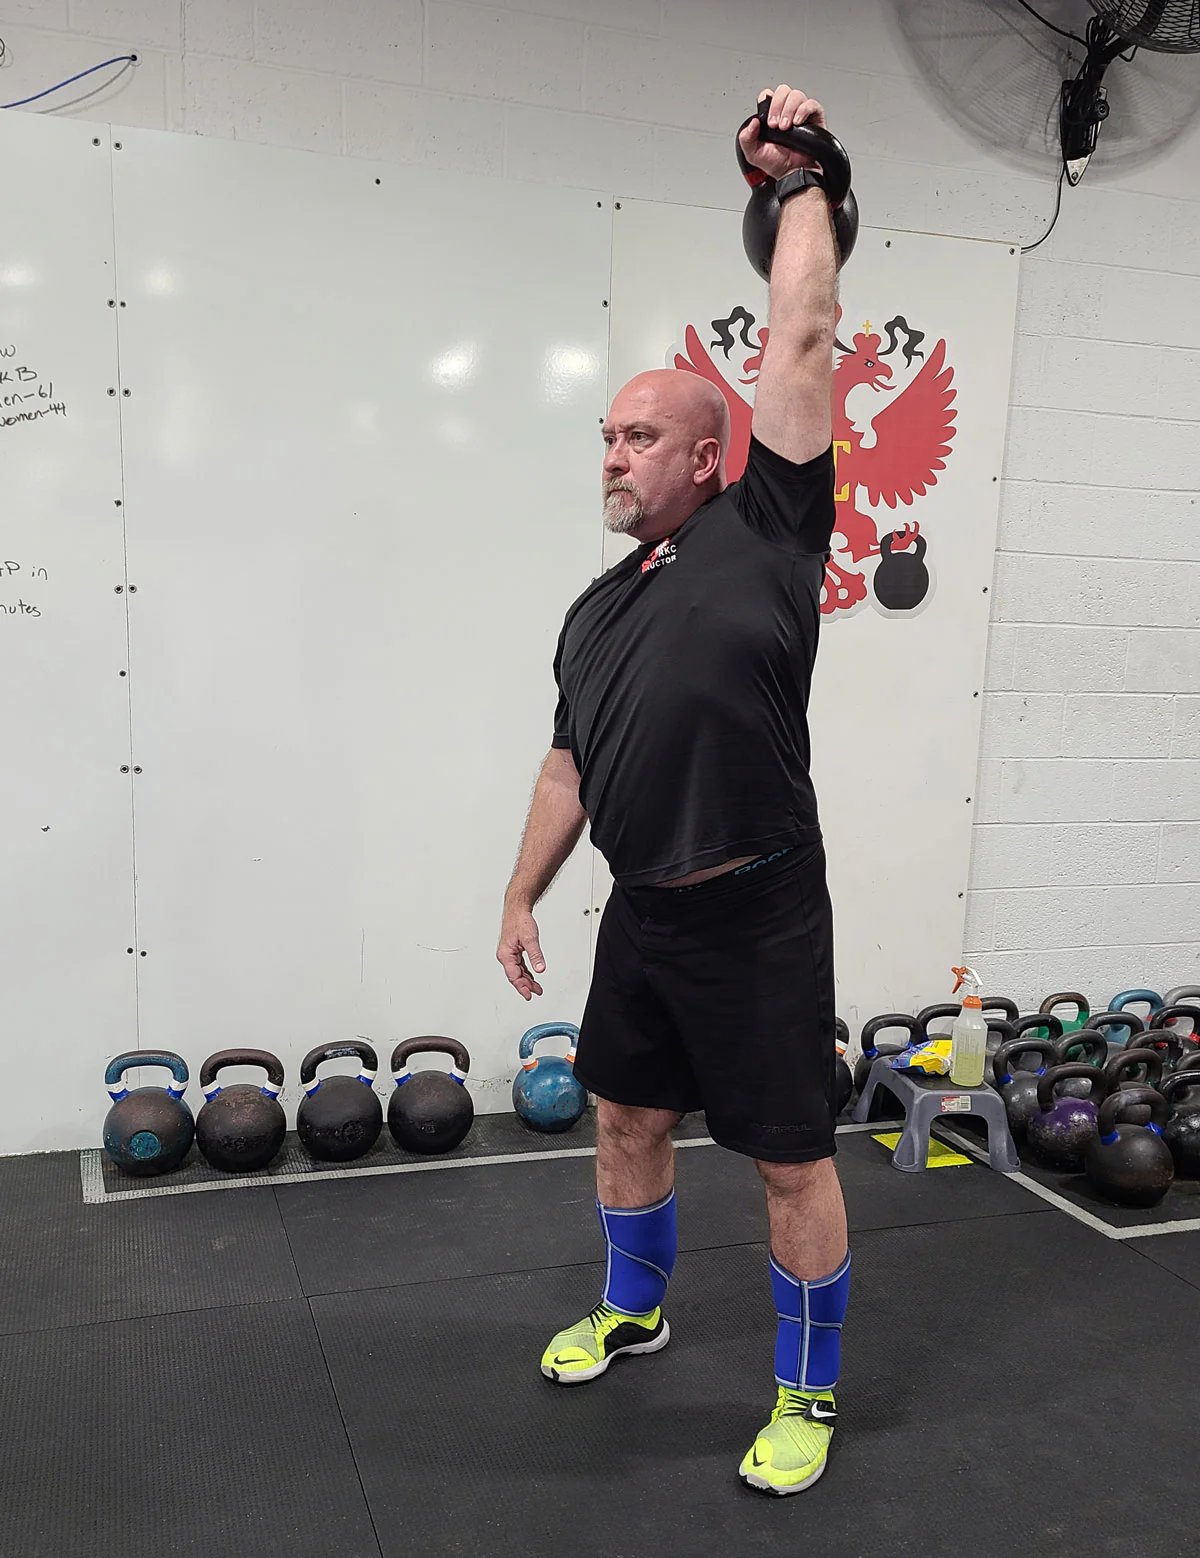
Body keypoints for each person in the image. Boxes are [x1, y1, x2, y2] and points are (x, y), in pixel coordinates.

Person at [496, 83, 848, 1498]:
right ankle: (635, 1307)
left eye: (639, 438)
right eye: (604, 438)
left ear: (711, 455)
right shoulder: (593, 610)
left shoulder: (769, 526)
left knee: (786, 1163)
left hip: (759, 911)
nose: (613, 456)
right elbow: (570, 759)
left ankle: (807, 1390)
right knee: (625, 1116)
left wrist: (805, 178)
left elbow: (806, 328)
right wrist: (520, 884)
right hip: (640, 914)